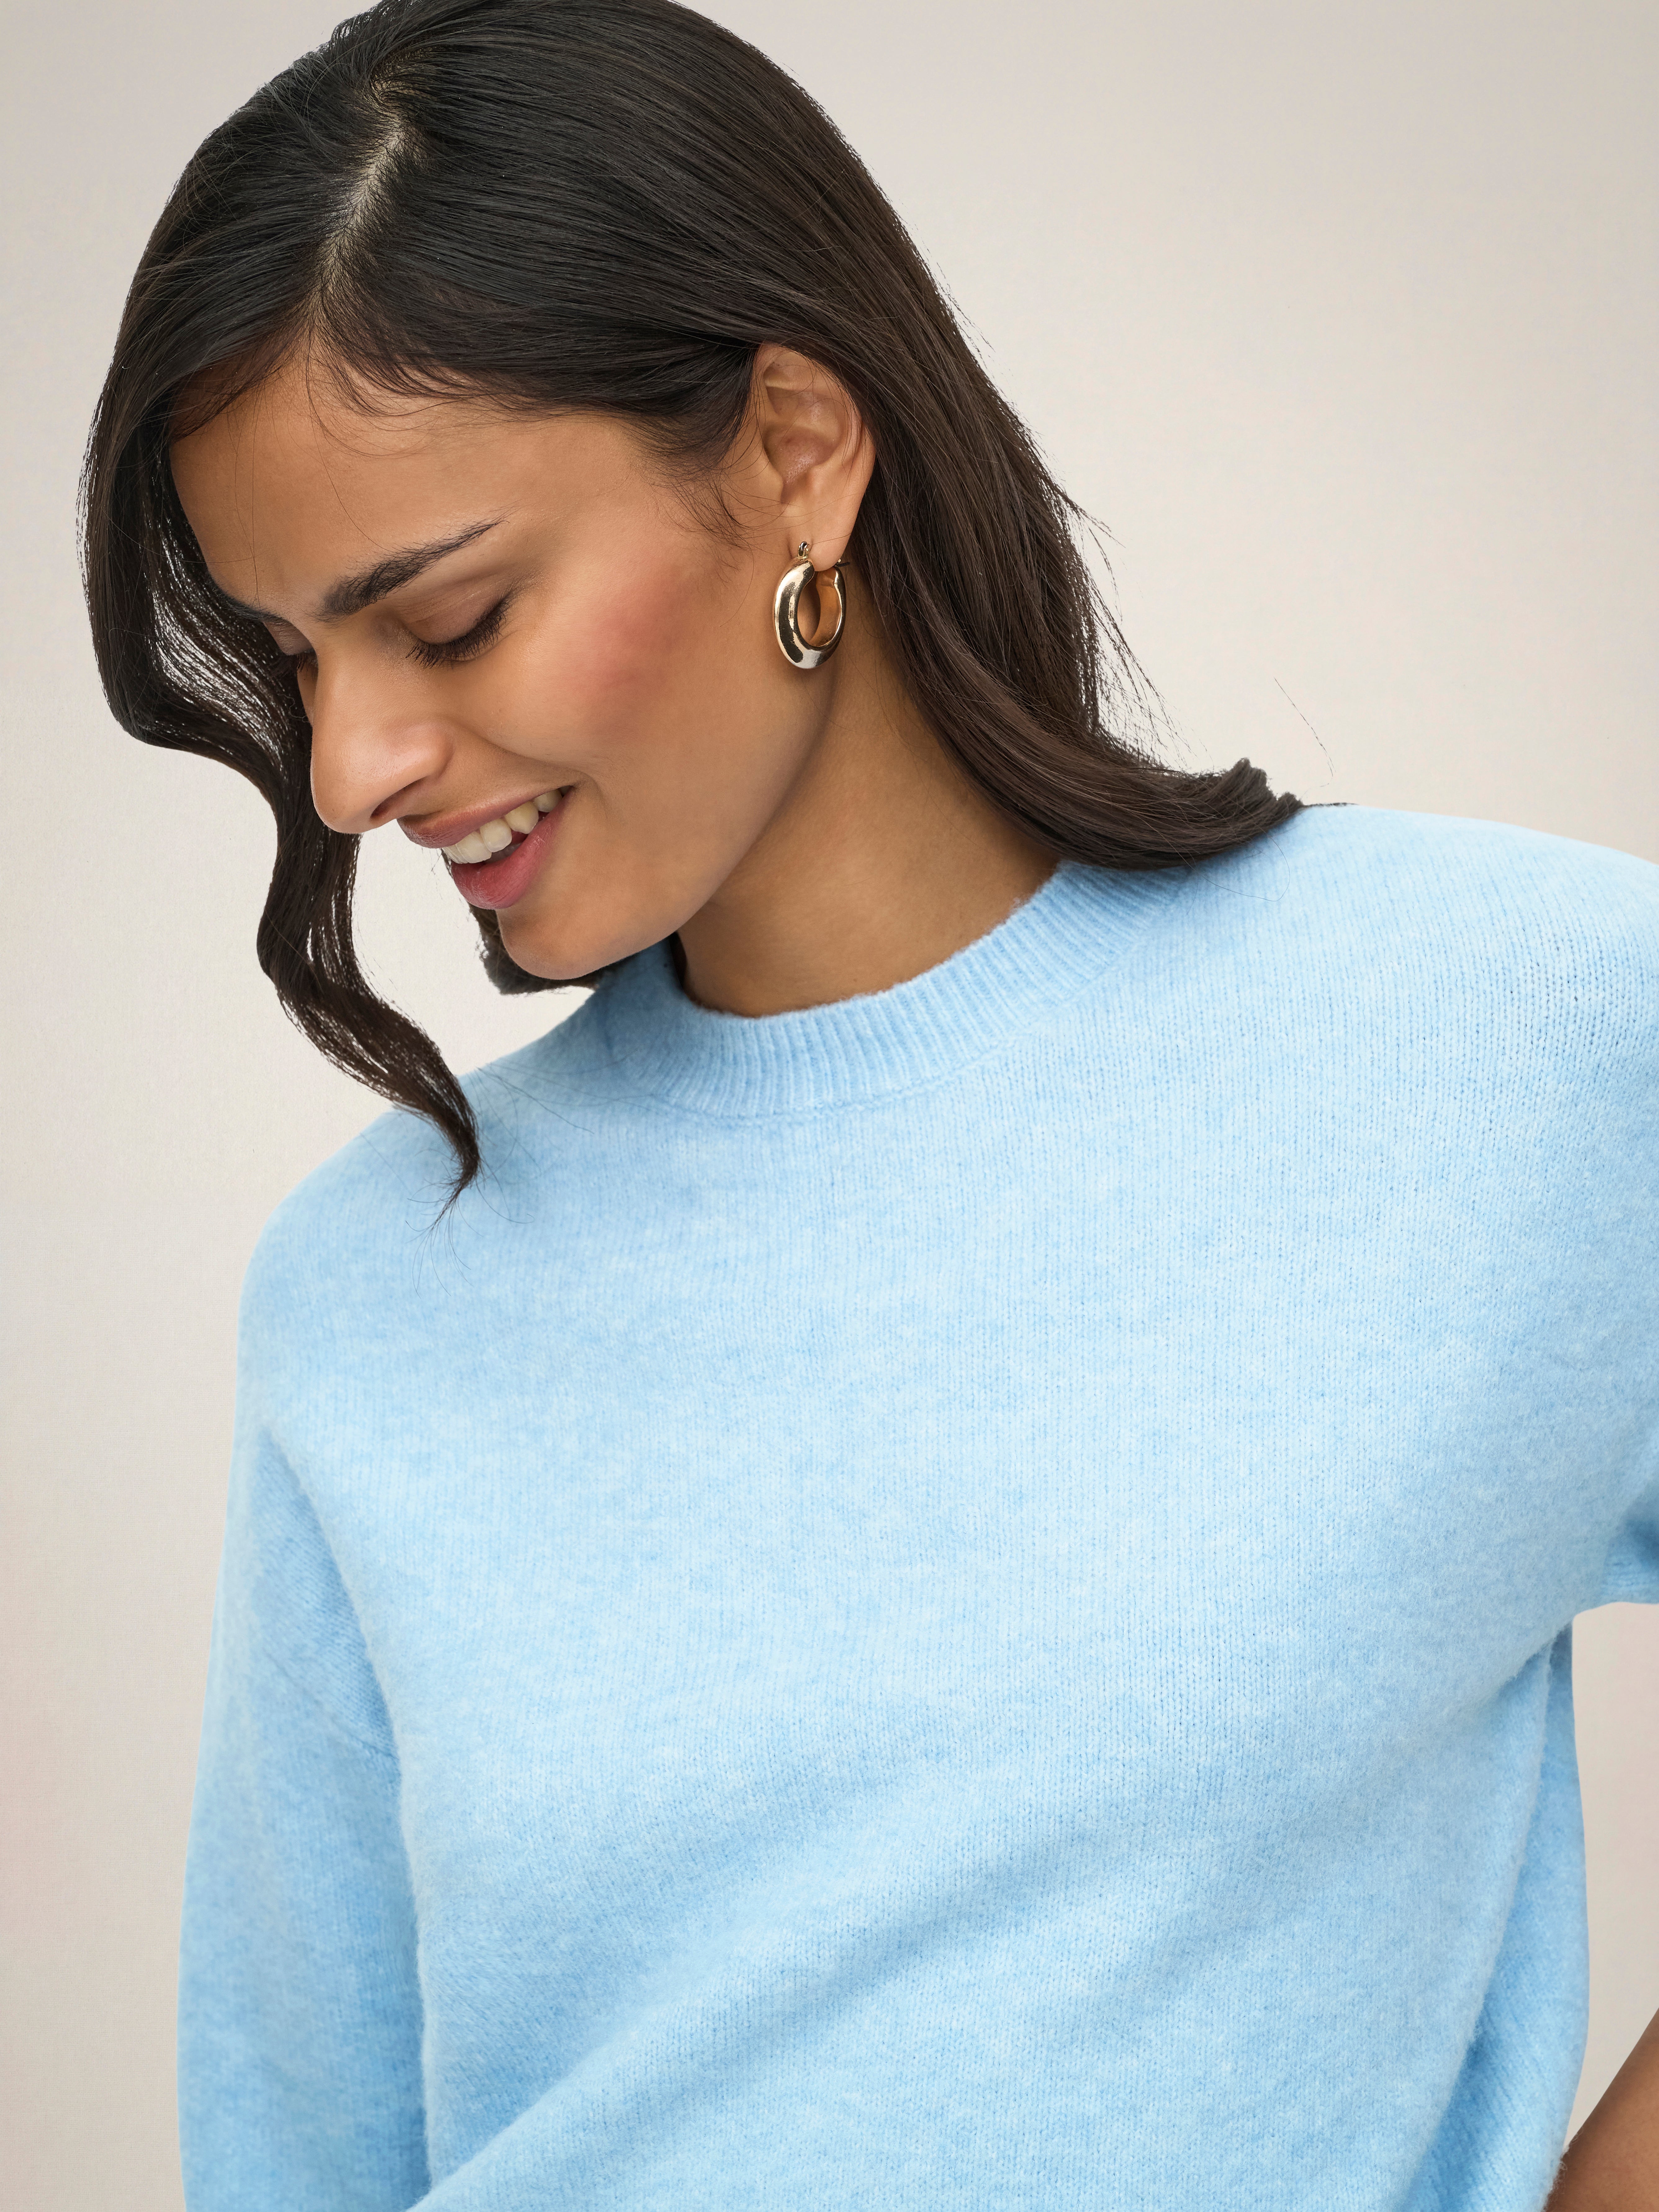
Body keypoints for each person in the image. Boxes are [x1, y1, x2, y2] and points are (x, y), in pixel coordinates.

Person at [81, 0, 1659, 2204]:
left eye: (446, 615)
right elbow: (300, 2152)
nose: (347, 769)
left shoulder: (1519, 1033)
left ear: (797, 449)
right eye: (293, 658)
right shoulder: (367, 1290)